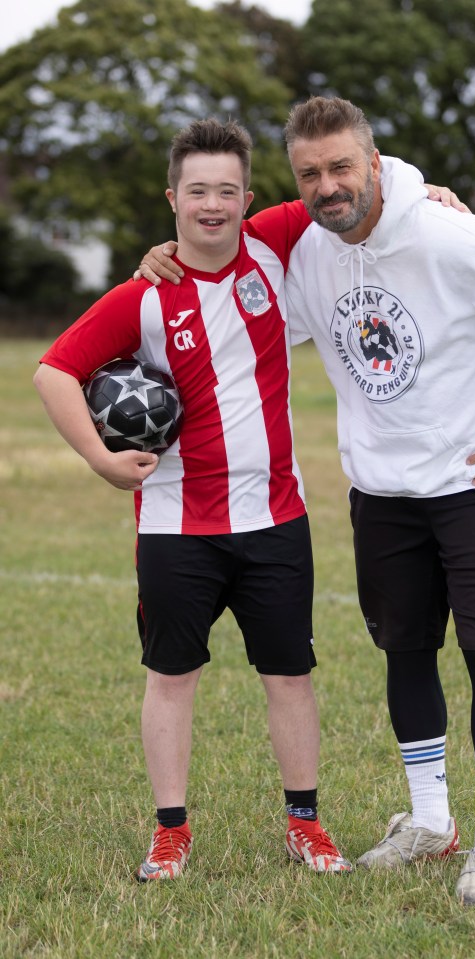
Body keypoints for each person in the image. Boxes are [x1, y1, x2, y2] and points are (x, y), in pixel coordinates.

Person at [138, 97, 475, 908]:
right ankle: (431, 821)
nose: (328, 186)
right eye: (310, 173)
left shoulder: (451, 236)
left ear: (376, 163)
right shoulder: (311, 255)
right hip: (384, 493)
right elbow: (238, 309)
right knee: (405, 652)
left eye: (342, 167)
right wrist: (165, 257)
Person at [34, 118, 357, 881]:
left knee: (290, 675)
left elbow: (356, 181)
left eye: (227, 190)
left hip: (276, 516)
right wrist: (100, 461)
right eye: (197, 190)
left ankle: (304, 823)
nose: (212, 204)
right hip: (178, 525)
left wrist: (427, 191)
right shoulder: (144, 294)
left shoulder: (275, 245)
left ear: (249, 197)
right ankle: (171, 830)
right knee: (172, 676)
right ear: (173, 197)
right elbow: (53, 371)